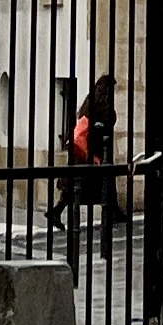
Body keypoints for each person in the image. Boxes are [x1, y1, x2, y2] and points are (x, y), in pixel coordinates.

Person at [57, 72, 118, 248]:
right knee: (90, 184)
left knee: (78, 184)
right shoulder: (103, 106)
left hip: (81, 150)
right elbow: (106, 122)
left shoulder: (89, 102)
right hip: (91, 151)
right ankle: (112, 213)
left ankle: (56, 211)